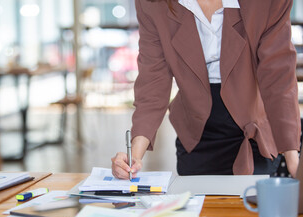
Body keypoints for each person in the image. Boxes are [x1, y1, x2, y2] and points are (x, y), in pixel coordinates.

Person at [111, 0, 301, 179]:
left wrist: (293, 158)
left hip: (253, 134)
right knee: (196, 210)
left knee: (251, 209)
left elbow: (277, 74)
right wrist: (134, 156)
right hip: (194, 134)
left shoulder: (268, 3)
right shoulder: (153, 4)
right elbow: (153, 81)